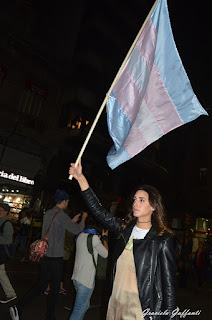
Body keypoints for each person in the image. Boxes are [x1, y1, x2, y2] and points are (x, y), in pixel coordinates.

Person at [69, 160, 177, 320]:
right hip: (115, 304)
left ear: (153, 206)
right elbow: (98, 211)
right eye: (134, 199)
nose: (135, 203)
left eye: (142, 200)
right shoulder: (125, 230)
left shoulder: (162, 240)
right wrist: (80, 178)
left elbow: (168, 286)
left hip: (140, 310)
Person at [9, 189, 87, 320]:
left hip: (45, 255)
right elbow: (76, 230)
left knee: (42, 285)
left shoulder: (49, 213)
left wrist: (71, 221)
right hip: (55, 257)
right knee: (54, 288)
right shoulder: (61, 215)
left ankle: (19, 307)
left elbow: (57, 228)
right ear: (63, 201)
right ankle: (48, 316)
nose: (68, 203)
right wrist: (83, 220)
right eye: (67, 201)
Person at [69, 214, 108, 320]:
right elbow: (105, 254)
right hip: (86, 280)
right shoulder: (94, 238)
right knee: (78, 310)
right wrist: (104, 238)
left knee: (84, 306)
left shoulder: (81, 235)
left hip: (77, 278)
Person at [0, 203, 17, 303]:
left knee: (1, 273)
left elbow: (7, 240)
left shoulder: (7, 224)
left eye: (0, 210)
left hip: (1, 253)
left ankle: (11, 294)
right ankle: (10, 294)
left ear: (6, 212)